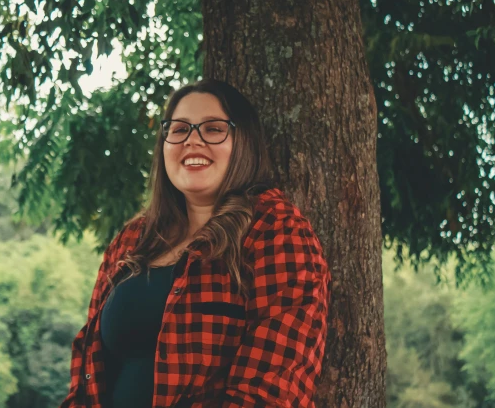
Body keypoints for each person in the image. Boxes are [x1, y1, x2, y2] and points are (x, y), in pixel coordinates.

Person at [59, 79, 331, 408]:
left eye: (213, 129)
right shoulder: (134, 240)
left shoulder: (277, 233)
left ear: (243, 142)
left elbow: (272, 392)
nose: (192, 141)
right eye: (179, 129)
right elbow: (87, 373)